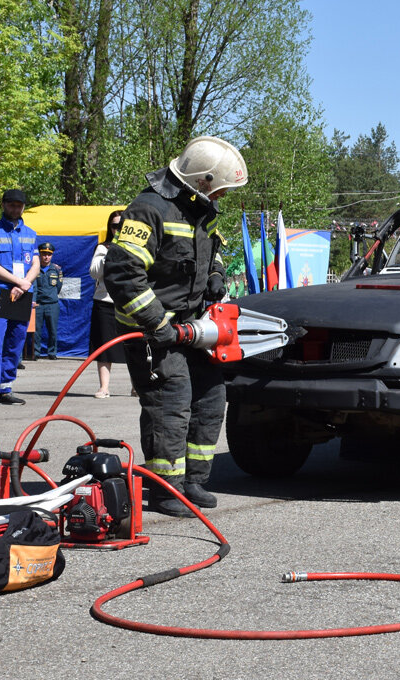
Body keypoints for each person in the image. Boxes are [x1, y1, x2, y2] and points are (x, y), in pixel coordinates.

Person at [103, 136, 246, 517]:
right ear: (200, 181)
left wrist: (215, 275)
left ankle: (193, 481)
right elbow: (122, 272)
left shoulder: (199, 211)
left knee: (211, 396)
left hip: (192, 326)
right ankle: (165, 488)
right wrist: (157, 323)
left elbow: (212, 252)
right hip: (151, 330)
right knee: (171, 402)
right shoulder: (149, 209)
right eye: (220, 189)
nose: (223, 197)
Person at [0, 189, 39, 408]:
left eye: (19, 205)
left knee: (16, 343)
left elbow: (36, 264)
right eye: (11, 204)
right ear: (3, 205)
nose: (15, 209)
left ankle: (6, 387)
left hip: (22, 294)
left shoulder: (30, 233)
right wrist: (19, 282)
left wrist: (25, 285)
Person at [89, 210, 128, 399]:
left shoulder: (136, 247)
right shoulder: (103, 248)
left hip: (130, 303)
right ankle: (104, 387)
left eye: (121, 225)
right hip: (105, 302)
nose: (117, 229)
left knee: (134, 346)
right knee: (104, 346)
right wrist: (111, 253)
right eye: (114, 226)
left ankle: (137, 386)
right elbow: (94, 272)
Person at [33, 242, 63, 360]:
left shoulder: (56, 270)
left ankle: (52, 352)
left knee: (53, 330)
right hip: (38, 304)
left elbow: (59, 286)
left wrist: (51, 296)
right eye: (44, 254)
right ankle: (36, 352)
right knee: (36, 330)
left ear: (52, 255)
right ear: (40, 255)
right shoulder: (34, 269)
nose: (46, 257)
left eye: (49, 254)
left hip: (52, 304)